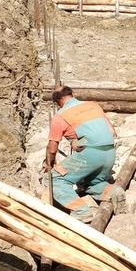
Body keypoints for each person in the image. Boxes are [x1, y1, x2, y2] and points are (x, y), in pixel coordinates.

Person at [43, 84, 118, 219]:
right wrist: (78, 141)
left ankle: (81, 211)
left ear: (58, 102)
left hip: (91, 154)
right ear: (71, 95)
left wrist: (49, 163)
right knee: (93, 182)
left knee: (53, 180)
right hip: (110, 153)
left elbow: (52, 147)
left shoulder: (60, 116)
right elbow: (112, 132)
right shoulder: (93, 105)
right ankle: (115, 193)